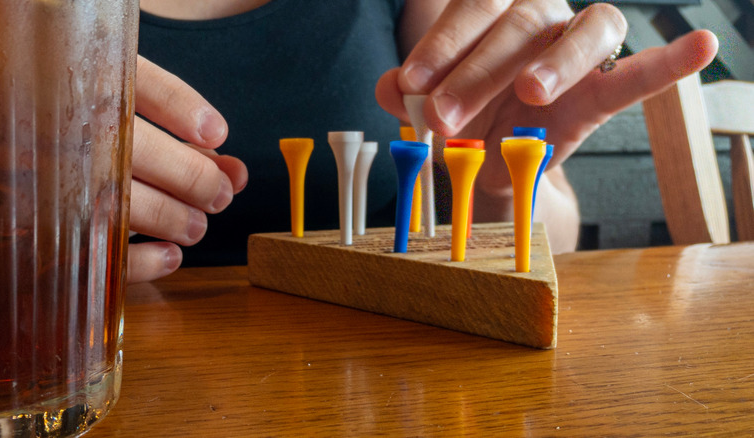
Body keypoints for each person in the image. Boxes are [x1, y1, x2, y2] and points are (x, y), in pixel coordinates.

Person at [127, 0, 719, 283]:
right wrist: (35, 246)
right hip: (98, 359)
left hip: (393, 364)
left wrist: (504, 187)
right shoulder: (37, 20)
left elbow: (554, 237)